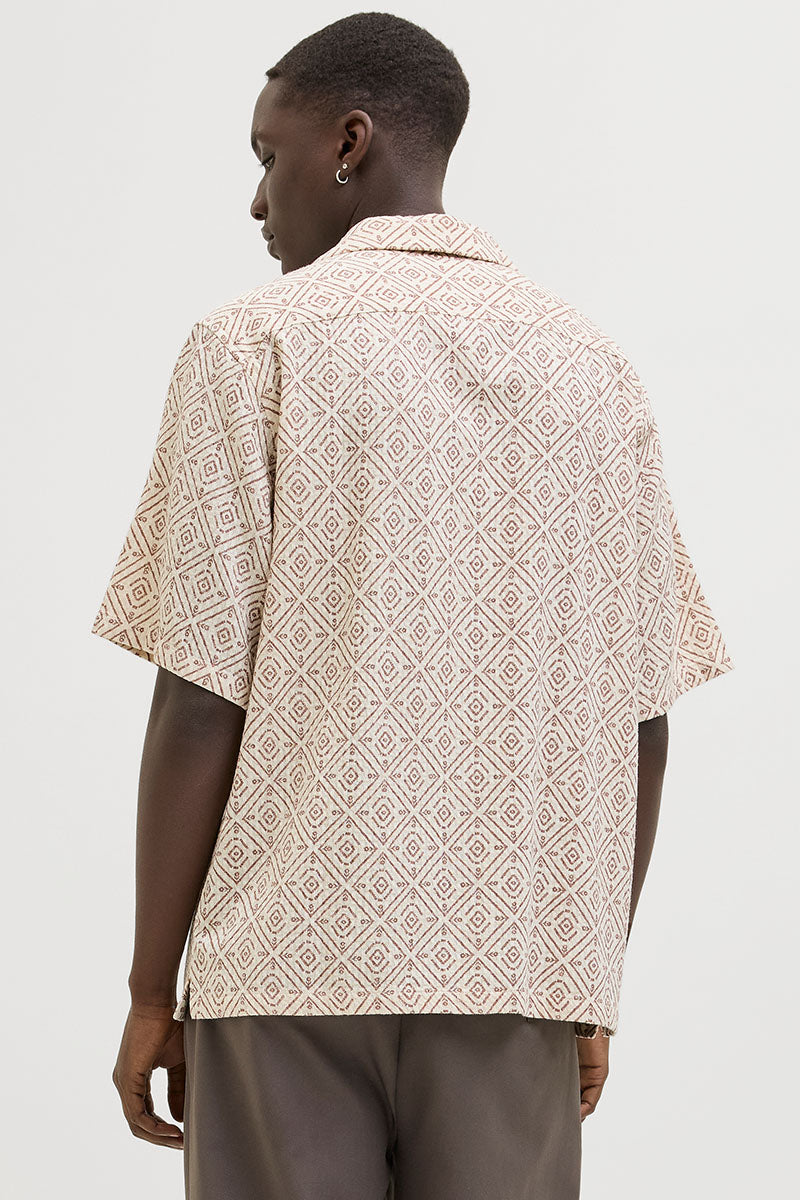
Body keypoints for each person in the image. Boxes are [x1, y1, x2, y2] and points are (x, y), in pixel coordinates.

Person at [91, 12, 735, 1199]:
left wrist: (146, 991)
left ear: (348, 142)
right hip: (512, 973)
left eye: (267, 155)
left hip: (283, 965)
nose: (255, 200)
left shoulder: (249, 348)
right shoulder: (592, 370)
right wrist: (588, 981)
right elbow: (640, 719)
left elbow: (198, 699)